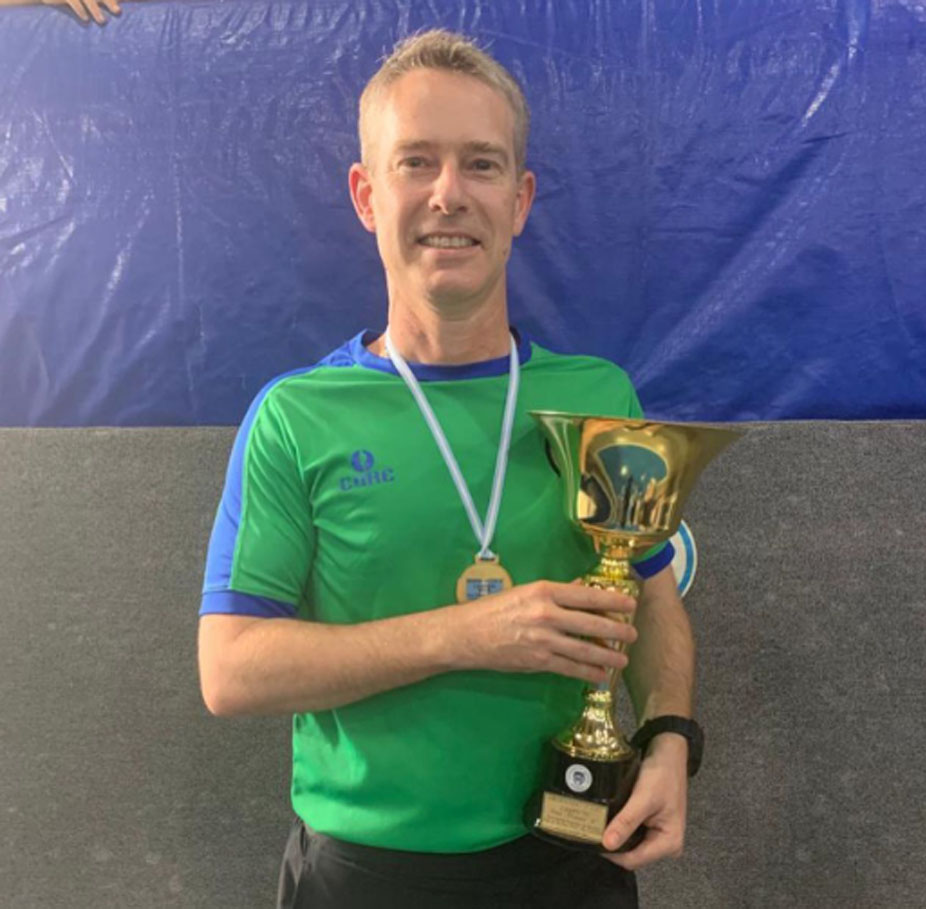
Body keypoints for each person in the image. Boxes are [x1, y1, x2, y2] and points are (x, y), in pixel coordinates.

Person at [198, 28, 701, 909]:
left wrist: (667, 737)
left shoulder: (598, 397)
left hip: (571, 858)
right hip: (364, 876)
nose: (448, 193)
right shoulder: (295, 416)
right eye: (415, 162)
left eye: (481, 164)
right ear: (366, 194)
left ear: (520, 198)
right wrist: (466, 635)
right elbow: (231, 671)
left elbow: (652, 601)